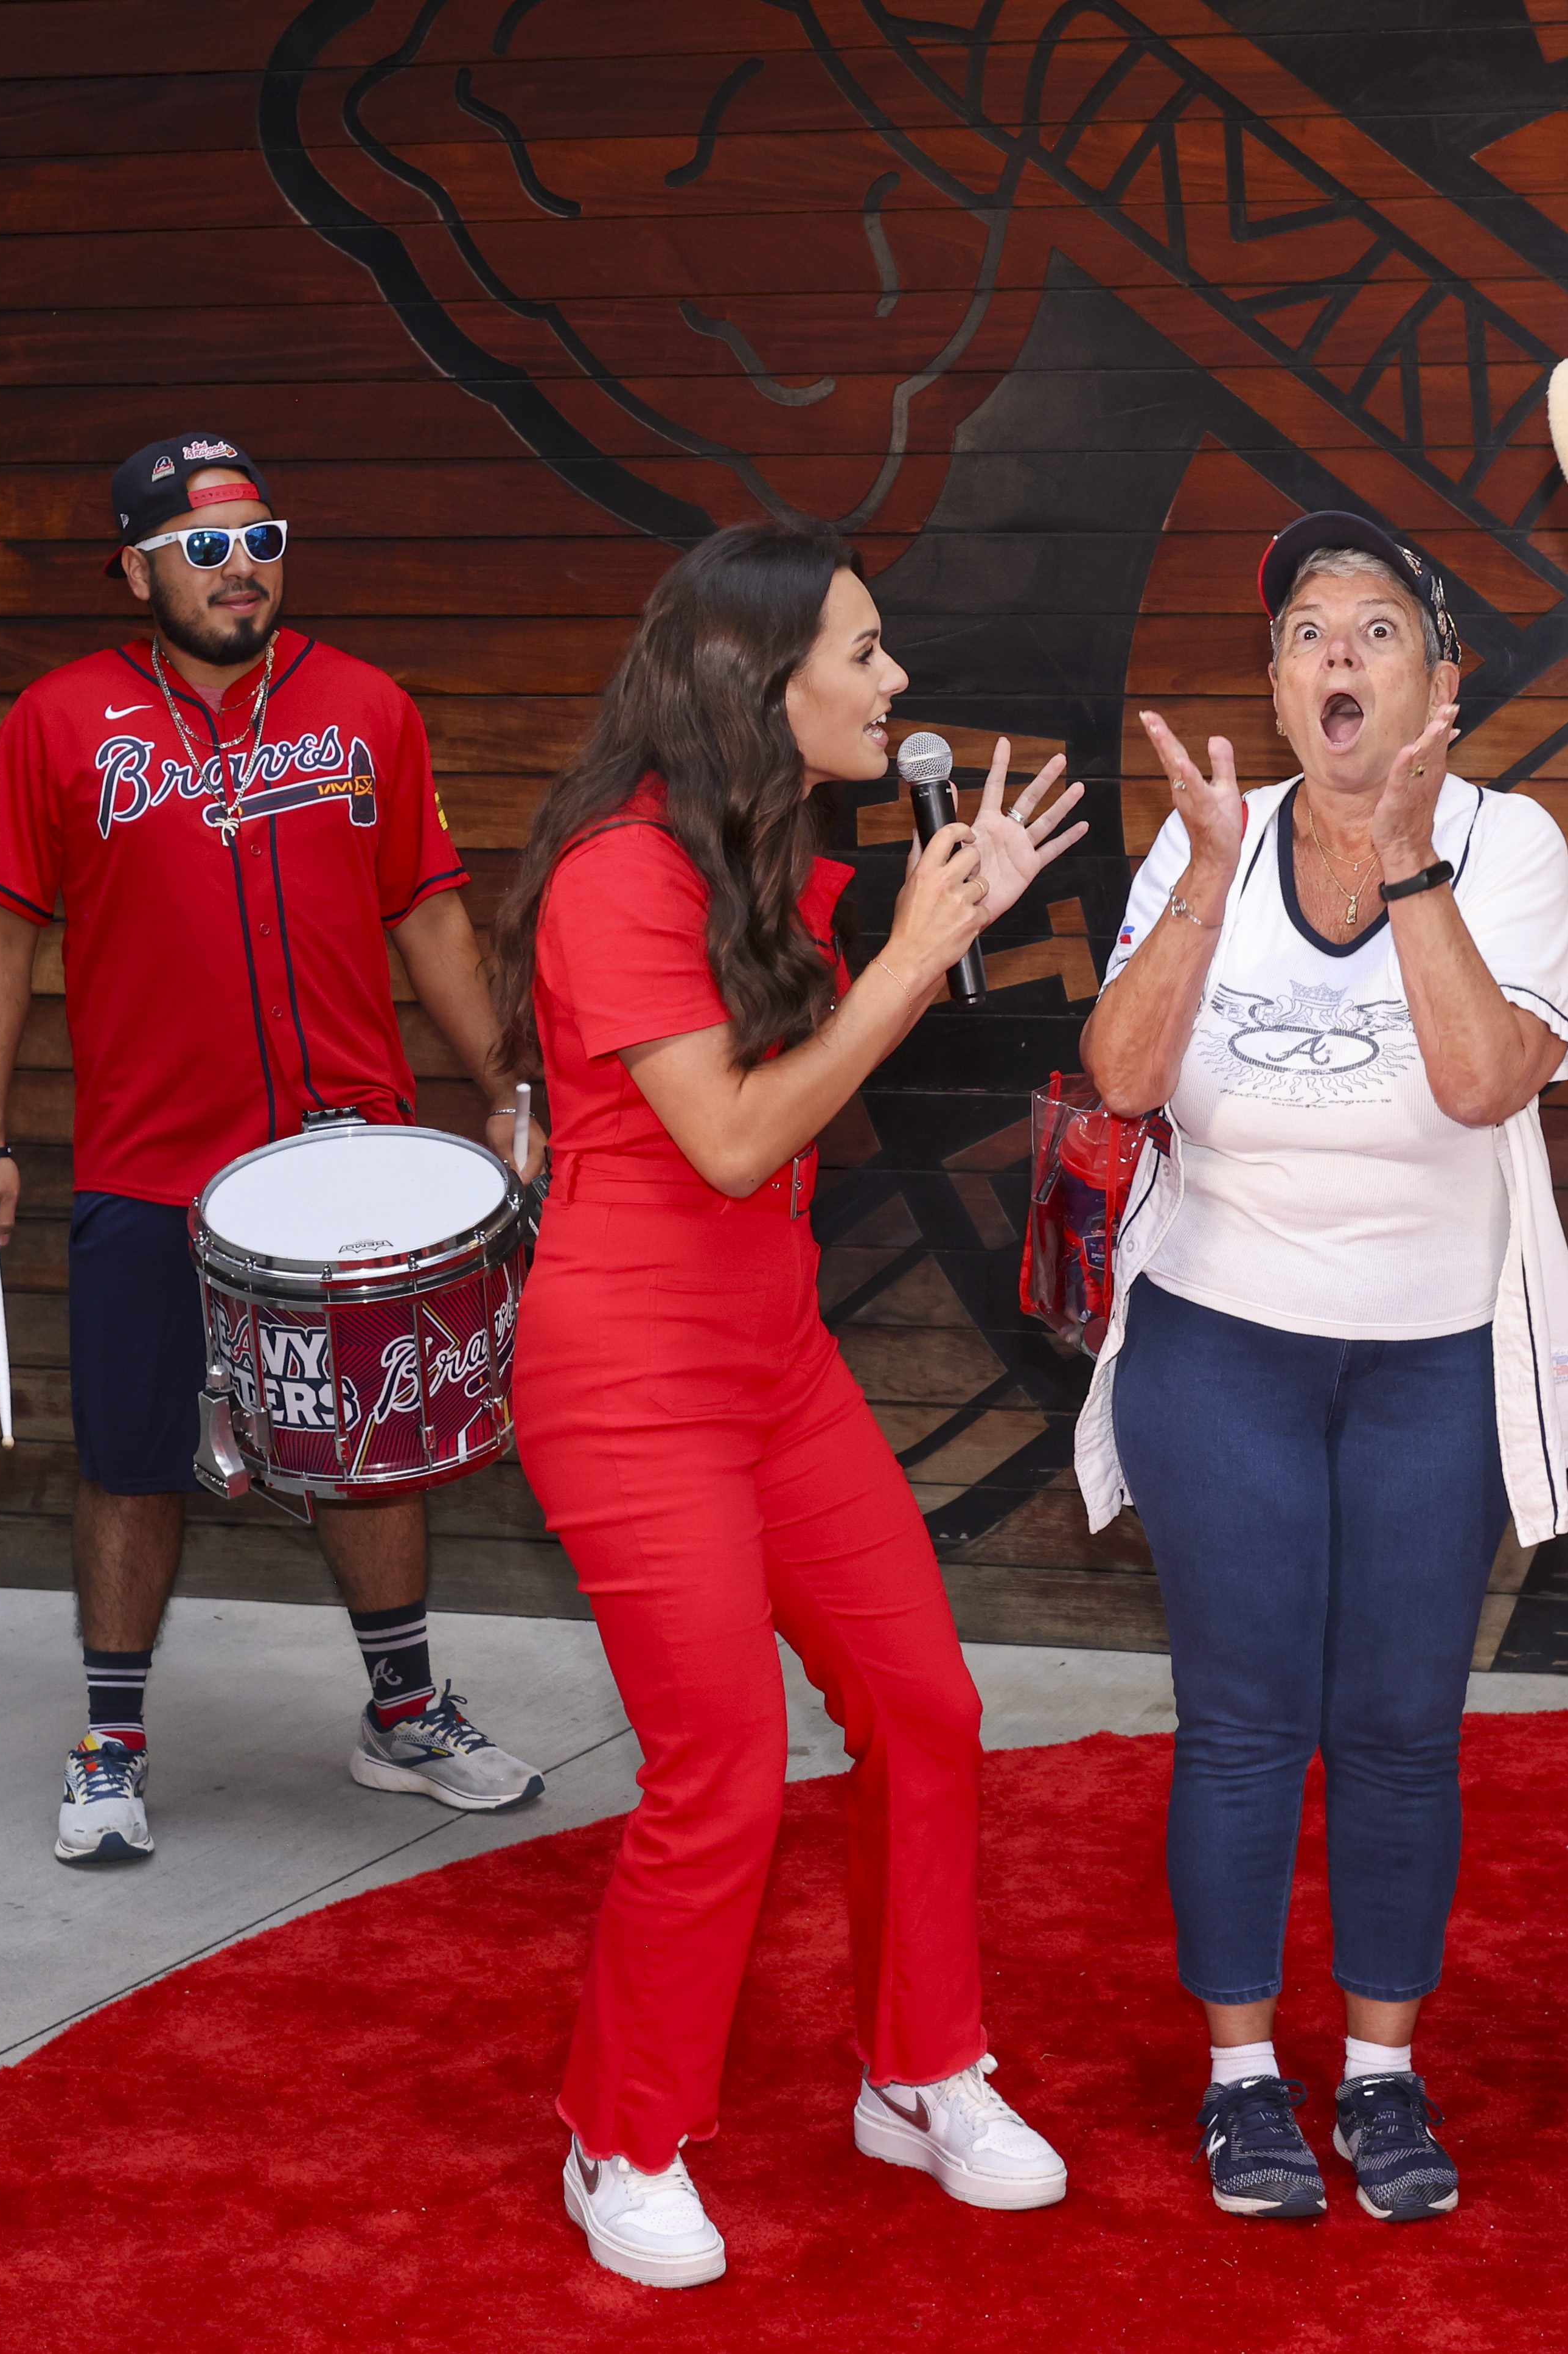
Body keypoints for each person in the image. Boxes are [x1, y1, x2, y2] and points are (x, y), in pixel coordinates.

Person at [490, 520, 1087, 2290]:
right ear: (764, 680)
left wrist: (953, 899)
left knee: (925, 1703)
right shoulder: (616, 874)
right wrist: (910, 956)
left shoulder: (773, 858)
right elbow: (742, 1132)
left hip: (772, 1362)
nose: (897, 682)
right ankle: (623, 2130)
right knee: (724, 1768)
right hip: (625, 1379)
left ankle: (920, 2073)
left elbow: (840, 1044)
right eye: (867, 650)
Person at [1076, 512, 1568, 2226]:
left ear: (1441, 681)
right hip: (1218, 1336)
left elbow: (1478, 1080)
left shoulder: (1509, 843)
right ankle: (1242, 2079)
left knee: (1396, 1730)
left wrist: (1405, 853)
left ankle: (1380, 2074)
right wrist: (1205, 880)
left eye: (1378, 629)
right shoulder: (1205, 846)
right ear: (1278, 679)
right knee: (1240, 1725)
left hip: (1432, 1353)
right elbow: (1123, 1071)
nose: (1337, 655)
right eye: (1307, 626)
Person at [0, 433, 547, 1870]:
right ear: (138, 565)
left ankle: (402, 1711)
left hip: (350, 1163)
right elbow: (0, 938)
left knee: (373, 1450)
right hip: (155, 1166)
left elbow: (432, 916)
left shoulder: (365, 708)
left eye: (262, 538)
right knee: (134, 1458)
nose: (241, 570)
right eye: (206, 547)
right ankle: (112, 1740)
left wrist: (507, 1083)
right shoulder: (62, 721)